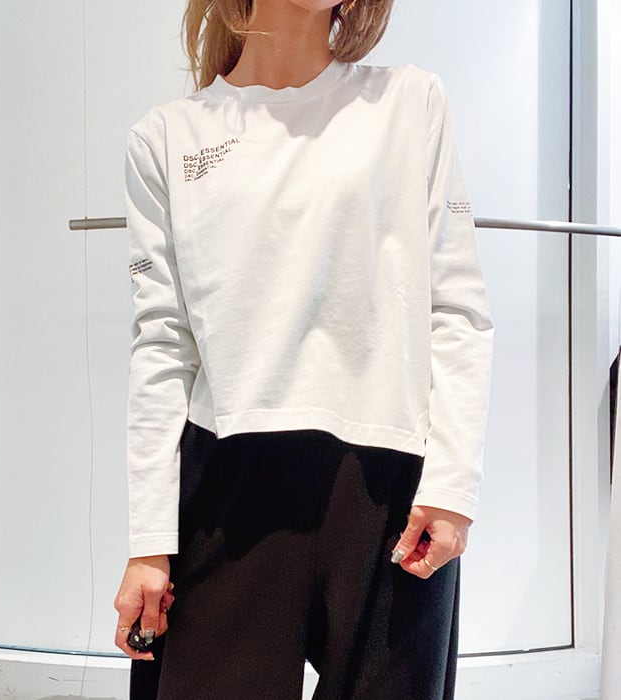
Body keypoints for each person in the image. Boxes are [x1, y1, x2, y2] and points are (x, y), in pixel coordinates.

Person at [113, 0, 494, 698]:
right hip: (226, 480)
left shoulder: (410, 103)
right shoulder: (166, 137)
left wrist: (452, 487)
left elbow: (458, 308)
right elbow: (163, 345)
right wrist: (149, 544)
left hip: (391, 484)